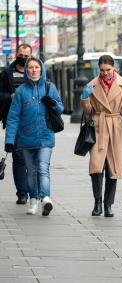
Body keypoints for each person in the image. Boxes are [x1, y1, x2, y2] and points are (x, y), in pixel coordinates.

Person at [80, 55, 122, 218]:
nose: (105, 73)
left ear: (114, 68)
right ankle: (97, 203)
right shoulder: (92, 84)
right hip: (97, 125)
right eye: (102, 70)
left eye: (108, 70)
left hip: (114, 125)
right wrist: (84, 98)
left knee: (114, 167)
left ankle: (108, 205)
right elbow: (87, 111)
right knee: (96, 166)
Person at [4, 57, 64, 216]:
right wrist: (9, 140)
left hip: (46, 136)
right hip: (25, 138)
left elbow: (60, 108)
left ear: (42, 69)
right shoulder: (21, 91)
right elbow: (13, 117)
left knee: (43, 168)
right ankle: (33, 200)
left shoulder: (50, 87)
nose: (34, 70)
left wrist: (52, 103)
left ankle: (45, 199)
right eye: (30, 67)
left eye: (37, 67)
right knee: (31, 171)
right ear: (26, 70)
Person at [0, 43, 32, 205]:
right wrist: (9, 97)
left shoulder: (36, 71)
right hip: (14, 120)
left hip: (34, 122)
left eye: (27, 56)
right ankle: (22, 193)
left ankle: (33, 190)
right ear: (16, 54)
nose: (24, 58)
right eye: (21, 55)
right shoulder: (7, 73)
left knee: (32, 159)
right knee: (19, 157)